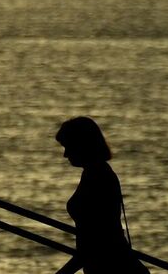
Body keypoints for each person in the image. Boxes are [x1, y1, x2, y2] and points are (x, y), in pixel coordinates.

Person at [55, 117, 147, 274]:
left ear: (82, 145)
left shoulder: (97, 176)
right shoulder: (95, 173)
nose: (65, 154)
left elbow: (97, 241)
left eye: (68, 146)